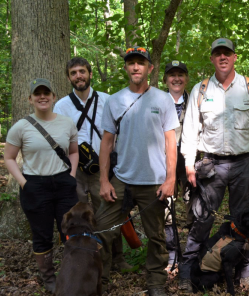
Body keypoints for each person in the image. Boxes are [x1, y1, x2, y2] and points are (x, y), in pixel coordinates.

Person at [178, 38, 249, 292]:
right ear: (212, 58)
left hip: (243, 164)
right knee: (202, 219)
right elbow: (189, 131)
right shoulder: (201, 89)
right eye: (218, 54)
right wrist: (189, 164)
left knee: (245, 221)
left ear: (234, 57)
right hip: (211, 165)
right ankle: (188, 269)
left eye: (227, 54)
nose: (222, 58)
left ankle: (245, 271)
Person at [95, 46, 179, 296]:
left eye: (140, 63)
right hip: (121, 179)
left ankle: (155, 283)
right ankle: (100, 281)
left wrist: (171, 178)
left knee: (156, 237)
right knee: (101, 232)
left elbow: (170, 142)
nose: (135, 67)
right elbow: (107, 141)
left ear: (150, 68)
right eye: (131, 63)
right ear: (126, 68)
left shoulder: (163, 99)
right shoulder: (115, 100)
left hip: (153, 182)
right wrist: (103, 180)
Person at [53, 57, 131, 272]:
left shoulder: (107, 100)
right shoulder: (62, 105)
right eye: (73, 73)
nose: (78, 76)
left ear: (89, 73)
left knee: (107, 214)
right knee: (76, 216)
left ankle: (117, 259)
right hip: (74, 170)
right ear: (68, 77)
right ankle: (80, 258)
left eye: (82, 71)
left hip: (102, 169)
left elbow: (119, 131)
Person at [4, 78, 79, 293]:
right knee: (42, 233)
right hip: (35, 185)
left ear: (54, 97)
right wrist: (24, 183)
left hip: (64, 182)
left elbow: (73, 152)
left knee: (70, 230)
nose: (42, 97)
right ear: (30, 99)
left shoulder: (66, 123)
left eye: (47, 93)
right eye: (37, 94)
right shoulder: (21, 126)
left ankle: (71, 272)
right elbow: (8, 157)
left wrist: (72, 175)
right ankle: (49, 278)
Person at [162, 60, 192, 271]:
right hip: (165, 162)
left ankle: (192, 253)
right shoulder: (157, 101)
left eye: (180, 74)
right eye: (172, 75)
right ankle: (171, 253)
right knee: (166, 209)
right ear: (165, 80)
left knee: (194, 207)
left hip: (191, 160)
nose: (176, 78)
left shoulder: (196, 100)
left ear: (186, 79)